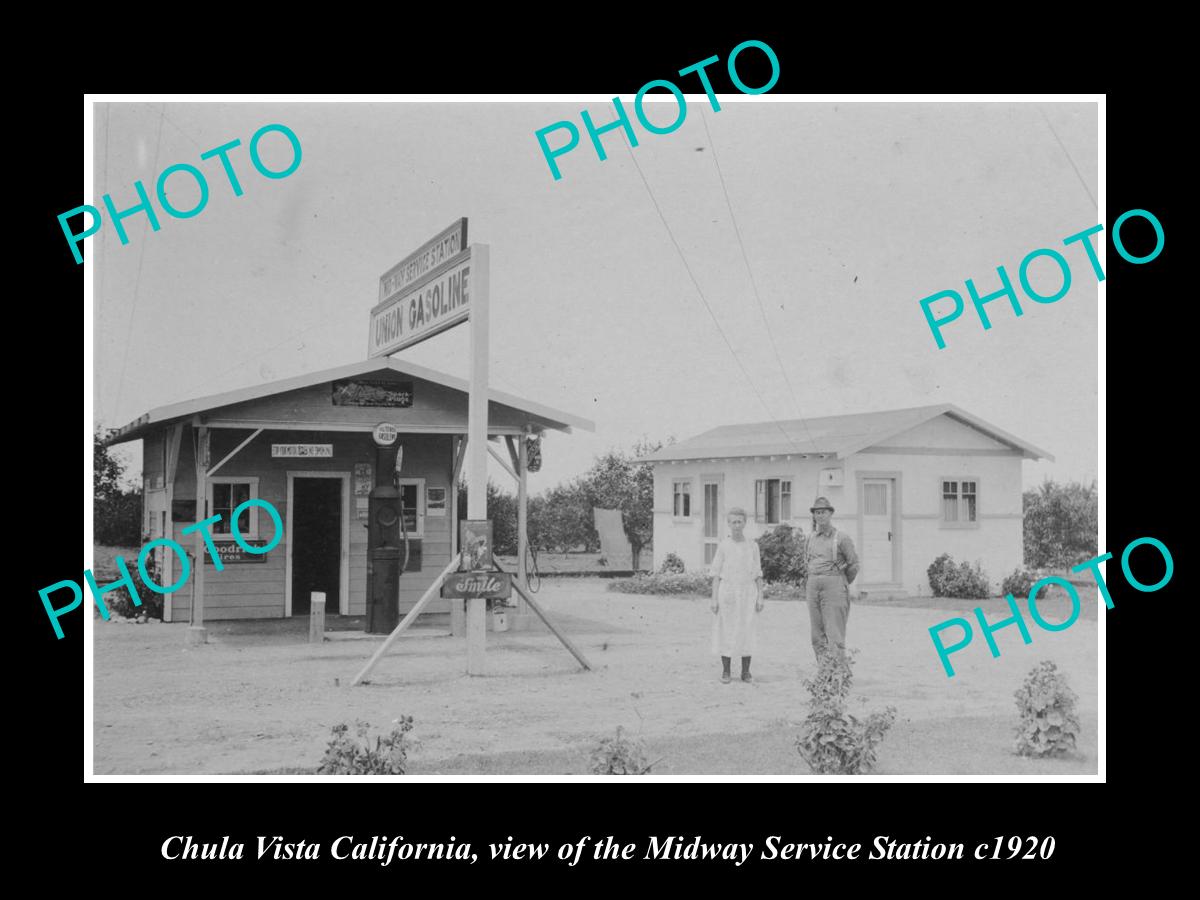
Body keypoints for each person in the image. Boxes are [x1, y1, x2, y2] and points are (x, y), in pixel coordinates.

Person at [709, 507, 764, 683]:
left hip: (748, 593)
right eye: (733, 522)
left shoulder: (752, 546)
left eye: (740, 521)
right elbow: (716, 574)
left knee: (747, 629)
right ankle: (726, 671)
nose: (737, 525)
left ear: (745, 523)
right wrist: (714, 598)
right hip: (728, 592)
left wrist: (760, 596)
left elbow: (758, 573)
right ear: (728, 524)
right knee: (728, 629)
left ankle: (745, 672)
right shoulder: (724, 545)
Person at [804, 496, 860, 660]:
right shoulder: (810, 538)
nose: (820, 516)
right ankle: (824, 673)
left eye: (823, 512)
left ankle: (837, 675)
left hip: (834, 585)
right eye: (817, 513)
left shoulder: (841, 538)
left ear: (830, 514)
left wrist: (840, 582)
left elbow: (854, 565)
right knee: (816, 634)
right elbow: (806, 561)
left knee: (834, 633)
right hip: (813, 585)